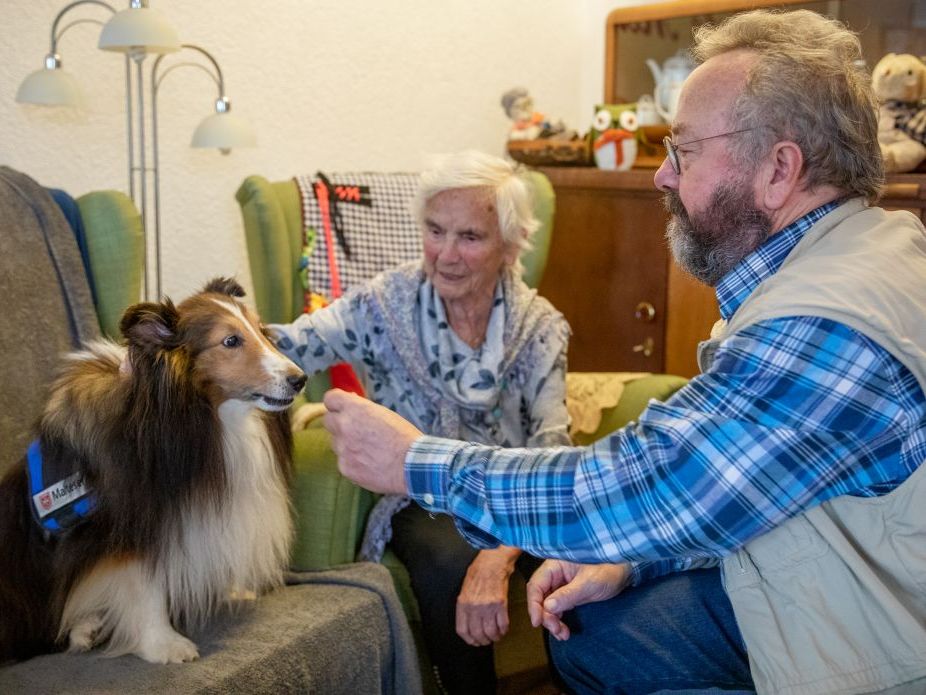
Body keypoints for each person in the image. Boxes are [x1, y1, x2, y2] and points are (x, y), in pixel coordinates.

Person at [323, 9, 926, 695]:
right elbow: (752, 489)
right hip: (815, 583)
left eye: (684, 150)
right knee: (592, 632)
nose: (661, 176)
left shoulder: (828, 323)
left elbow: (647, 484)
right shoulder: (868, 250)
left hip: (876, 646)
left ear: (779, 169)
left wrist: (413, 460)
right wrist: (634, 561)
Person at [271, 149, 571, 694]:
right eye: (435, 231)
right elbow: (290, 346)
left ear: (509, 244)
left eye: (470, 236)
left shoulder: (540, 327)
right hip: (423, 493)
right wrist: (200, 340)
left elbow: (553, 452)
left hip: (518, 492)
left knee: (577, 566)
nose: (446, 255)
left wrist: (498, 557)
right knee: (449, 560)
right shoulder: (383, 304)